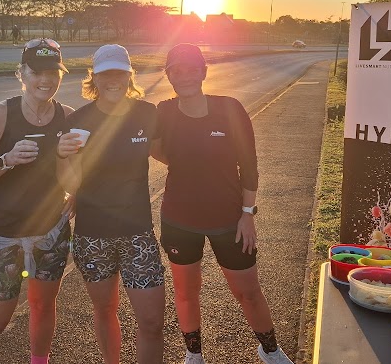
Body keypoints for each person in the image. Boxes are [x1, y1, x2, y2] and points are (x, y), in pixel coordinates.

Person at [151, 43, 294, 364]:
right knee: (186, 292)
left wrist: (247, 214)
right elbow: (156, 149)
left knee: (249, 292)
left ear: (203, 72)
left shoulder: (229, 108)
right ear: (169, 76)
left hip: (230, 219)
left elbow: (249, 165)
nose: (185, 76)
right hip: (179, 219)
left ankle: (270, 350)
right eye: (177, 71)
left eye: (192, 69)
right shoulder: (164, 111)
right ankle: (194, 354)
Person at [0, 38, 74, 364]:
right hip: (1, 233)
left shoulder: (68, 116)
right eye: (37, 72)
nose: (46, 80)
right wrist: (6, 160)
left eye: (53, 72)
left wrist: (78, 193)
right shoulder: (0, 114)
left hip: (50, 232)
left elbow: (79, 171)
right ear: (21, 73)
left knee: (43, 306)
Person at [56, 44, 165, 364]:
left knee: (152, 322)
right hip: (93, 235)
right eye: (105, 74)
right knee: (104, 309)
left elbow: (165, 154)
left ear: (130, 75)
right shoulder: (79, 120)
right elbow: (71, 183)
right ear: (95, 78)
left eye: (120, 72)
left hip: (138, 233)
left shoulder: (147, 113)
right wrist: (61, 155)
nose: (113, 80)